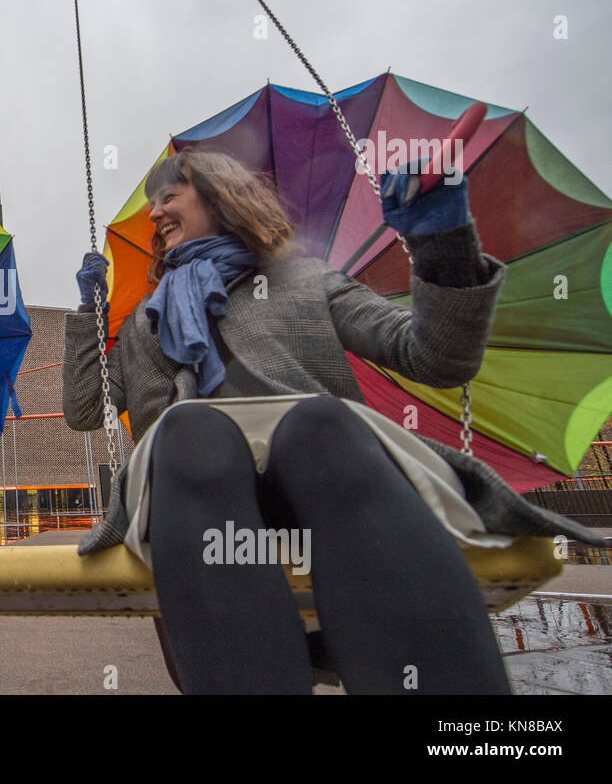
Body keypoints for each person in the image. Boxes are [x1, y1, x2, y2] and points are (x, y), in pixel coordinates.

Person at [63, 147, 601, 695]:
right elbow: (85, 410)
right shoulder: (143, 323)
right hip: (197, 508)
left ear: (219, 196)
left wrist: (443, 247)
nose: (154, 214)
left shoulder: (303, 282)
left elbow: (436, 357)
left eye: (168, 196)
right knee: (190, 432)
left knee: (318, 422)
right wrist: (89, 315)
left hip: (325, 487)